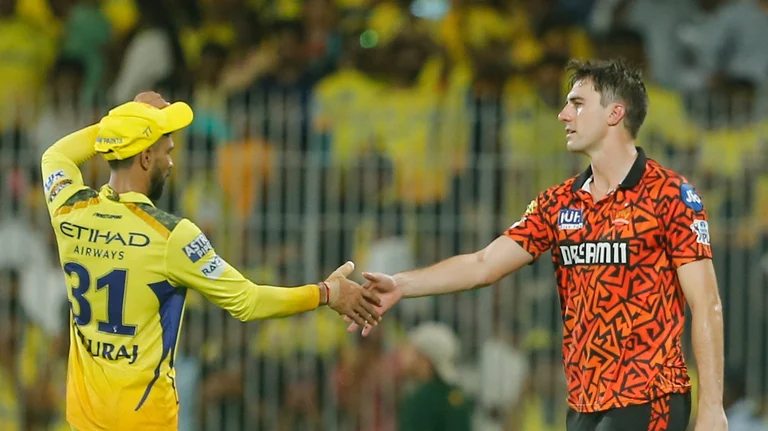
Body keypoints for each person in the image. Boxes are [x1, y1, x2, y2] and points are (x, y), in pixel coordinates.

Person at [349, 59, 728, 431]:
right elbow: (484, 264)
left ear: (615, 113)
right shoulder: (558, 202)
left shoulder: (670, 195)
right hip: (582, 404)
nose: (563, 115)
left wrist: (712, 408)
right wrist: (402, 284)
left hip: (649, 397)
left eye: (577, 104)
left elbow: (705, 302)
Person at [40, 91, 381, 431]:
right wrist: (327, 293)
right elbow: (248, 302)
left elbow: (55, 156)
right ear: (145, 158)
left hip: (83, 422)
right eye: (167, 153)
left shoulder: (69, 211)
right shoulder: (172, 235)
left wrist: (121, 123)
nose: (172, 163)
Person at [397, 322, 472, 431]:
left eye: (412, 351)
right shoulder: (457, 395)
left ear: (425, 359)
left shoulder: (418, 400)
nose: (403, 356)